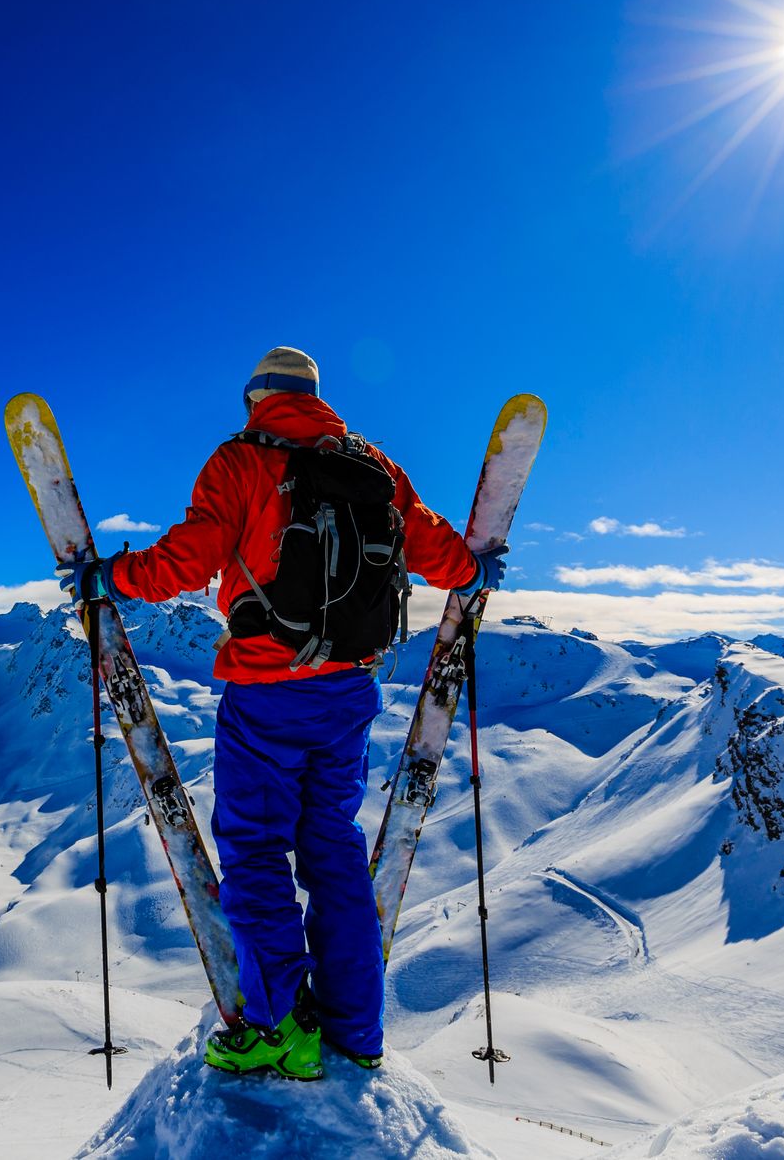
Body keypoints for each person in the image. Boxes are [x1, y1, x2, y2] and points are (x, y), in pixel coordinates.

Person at [58, 346, 503, 1080]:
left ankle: (274, 1025)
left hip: (267, 690)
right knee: (332, 847)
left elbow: (187, 561)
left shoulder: (240, 461)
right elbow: (437, 551)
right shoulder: (377, 466)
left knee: (256, 849)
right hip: (351, 692)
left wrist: (110, 576)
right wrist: (478, 569)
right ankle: (357, 1030)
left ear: (256, 398)